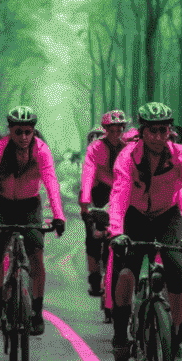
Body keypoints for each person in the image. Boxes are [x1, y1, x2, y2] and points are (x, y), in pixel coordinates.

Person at [107, 101, 182, 361]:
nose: (159, 137)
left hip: (167, 215)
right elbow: (120, 195)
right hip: (134, 217)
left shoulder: (180, 156)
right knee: (125, 272)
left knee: (177, 269)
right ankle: (121, 334)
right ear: (143, 132)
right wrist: (117, 232)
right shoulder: (127, 157)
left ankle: (176, 345)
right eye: (153, 131)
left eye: (164, 130)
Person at [0, 105, 66, 335]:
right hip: (1, 203)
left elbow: (51, 184)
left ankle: (36, 311)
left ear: (33, 131)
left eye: (28, 132)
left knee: (36, 253)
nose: (24, 137)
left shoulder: (41, 151)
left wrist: (58, 215)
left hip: (29, 205)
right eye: (18, 132)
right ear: (10, 130)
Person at [80, 110, 131, 298]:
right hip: (98, 194)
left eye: (120, 129)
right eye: (112, 129)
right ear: (105, 129)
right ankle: (94, 278)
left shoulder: (128, 147)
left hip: (119, 195)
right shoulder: (95, 148)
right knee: (93, 238)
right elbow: (88, 173)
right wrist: (86, 202)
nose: (116, 133)